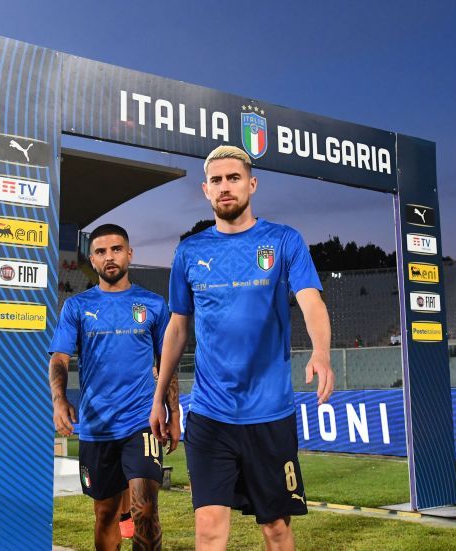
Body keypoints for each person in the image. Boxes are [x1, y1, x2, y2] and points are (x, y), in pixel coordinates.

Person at [150, 145, 334, 550]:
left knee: (276, 529)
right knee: (209, 529)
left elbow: (311, 301)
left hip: (269, 415)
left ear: (251, 184)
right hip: (210, 416)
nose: (225, 187)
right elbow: (178, 329)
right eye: (216, 180)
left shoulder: (284, 240)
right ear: (205, 190)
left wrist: (321, 352)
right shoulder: (190, 252)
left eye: (233, 178)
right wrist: (159, 395)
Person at [48, 224, 177, 549]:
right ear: (92, 260)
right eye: (101, 251)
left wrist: (173, 412)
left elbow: (166, 362)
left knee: (145, 508)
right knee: (105, 514)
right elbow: (60, 359)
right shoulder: (76, 307)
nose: (110, 257)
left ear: (129, 253)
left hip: (142, 424)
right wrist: (59, 400)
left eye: (116, 249)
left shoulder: (153, 304)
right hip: (96, 427)